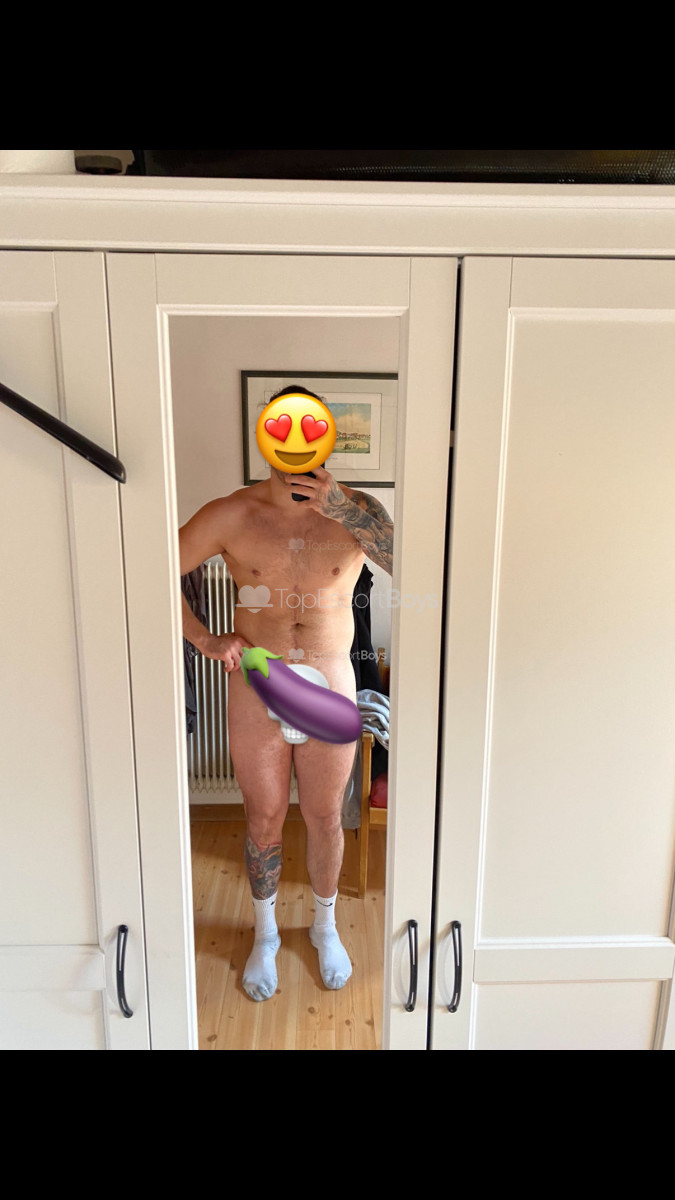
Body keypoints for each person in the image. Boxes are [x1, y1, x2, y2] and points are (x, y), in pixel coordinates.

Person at [179, 387, 394, 1002]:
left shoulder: (358, 512)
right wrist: (202, 637)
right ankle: (267, 933)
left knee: (325, 816)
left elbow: (413, 561)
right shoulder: (231, 514)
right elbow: (150, 566)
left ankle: (325, 927)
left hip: (330, 678)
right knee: (264, 817)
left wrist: (343, 507)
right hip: (258, 679)